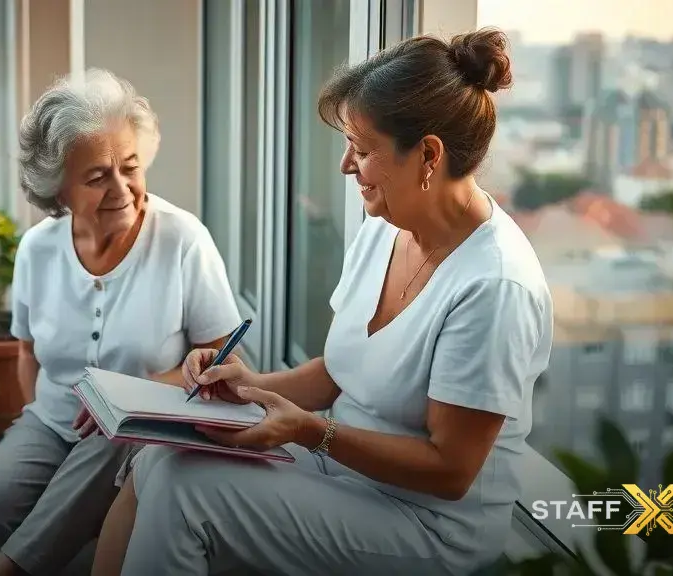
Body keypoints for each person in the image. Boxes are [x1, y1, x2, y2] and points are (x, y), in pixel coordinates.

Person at [91, 27, 553, 576]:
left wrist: (310, 430)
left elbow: (450, 471)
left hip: (427, 523)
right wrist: (246, 386)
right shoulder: (387, 227)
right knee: (161, 459)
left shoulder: (495, 287)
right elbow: (337, 373)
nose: (345, 166)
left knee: (184, 490)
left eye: (362, 149)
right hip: (344, 475)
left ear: (429, 154)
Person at [0, 69, 242, 576]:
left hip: (139, 423)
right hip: (52, 419)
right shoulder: (37, 250)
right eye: (97, 177)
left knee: (110, 446)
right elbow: (27, 353)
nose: (121, 188)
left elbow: (226, 360)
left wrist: (127, 395)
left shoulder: (183, 239)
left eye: (130, 168)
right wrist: (37, 422)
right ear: (59, 190)